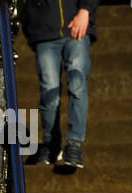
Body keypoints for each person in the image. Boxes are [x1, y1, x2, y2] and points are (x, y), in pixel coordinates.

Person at [22, 0, 98, 171]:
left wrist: (85, 11)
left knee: (77, 83)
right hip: (44, 32)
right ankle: (50, 144)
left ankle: (74, 144)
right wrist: (32, 25)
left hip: (76, 27)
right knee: (49, 93)